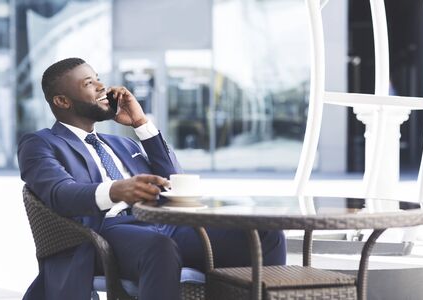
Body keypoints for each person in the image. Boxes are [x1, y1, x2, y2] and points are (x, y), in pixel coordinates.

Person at [18, 57, 286, 300]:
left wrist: (141, 124)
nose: (102, 86)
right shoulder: (40, 144)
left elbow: (174, 180)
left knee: (265, 232)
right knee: (160, 247)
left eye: (99, 78)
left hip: (163, 224)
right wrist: (117, 190)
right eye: (89, 83)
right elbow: (60, 194)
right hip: (104, 232)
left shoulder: (119, 143)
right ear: (62, 101)